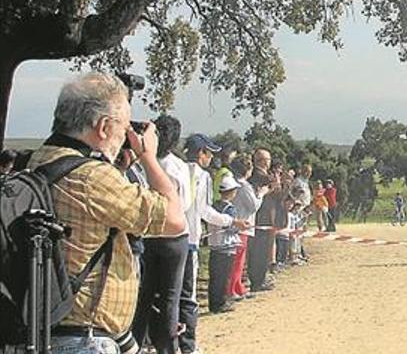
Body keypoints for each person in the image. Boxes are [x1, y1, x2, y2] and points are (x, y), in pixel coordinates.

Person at [24, 72, 186, 353]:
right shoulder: (91, 177)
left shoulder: (38, 161)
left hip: (49, 331)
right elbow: (174, 220)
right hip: (84, 338)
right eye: (124, 129)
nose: (127, 137)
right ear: (102, 127)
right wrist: (149, 157)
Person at [130, 115, 192, 354]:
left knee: (143, 294)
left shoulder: (142, 164)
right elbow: (184, 203)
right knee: (170, 295)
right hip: (175, 237)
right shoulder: (177, 166)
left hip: (148, 234)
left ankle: (136, 341)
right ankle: (167, 346)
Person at [180, 134, 245, 354]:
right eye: (209, 153)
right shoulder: (202, 176)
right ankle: (187, 345)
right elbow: (204, 211)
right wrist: (231, 221)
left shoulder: (173, 166)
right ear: (201, 153)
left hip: (163, 238)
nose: (211, 158)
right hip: (188, 240)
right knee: (187, 296)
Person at [228, 156, 263, 300]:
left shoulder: (233, 182)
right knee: (238, 261)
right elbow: (253, 206)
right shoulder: (244, 185)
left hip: (236, 224)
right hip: (243, 225)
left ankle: (237, 286)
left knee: (238, 261)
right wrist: (261, 194)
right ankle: (232, 290)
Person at [207, 175, 242, 314]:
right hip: (227, 246)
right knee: (224, 277)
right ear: (232, 192)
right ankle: (221, 302)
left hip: (214, 245)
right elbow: (231, 227)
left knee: (215, 277)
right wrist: (240, 226)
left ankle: (213, 302)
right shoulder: (230, 208)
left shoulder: (213, 206)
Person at [248, 148, 277, 292]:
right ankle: (258, 281)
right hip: (262, 217)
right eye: (269, 160)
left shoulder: (262, 175)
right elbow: (277, 191)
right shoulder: (259, 175)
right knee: (260, 251)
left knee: (263, 251)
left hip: (266, 216)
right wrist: (276, 183)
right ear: (263, 161)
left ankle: (259, 278)